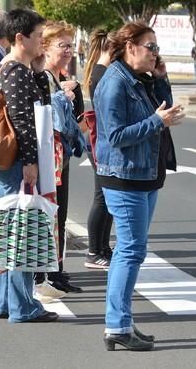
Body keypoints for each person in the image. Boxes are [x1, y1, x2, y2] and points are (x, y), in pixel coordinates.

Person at [93, 22, 184, 351]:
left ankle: (122, 322)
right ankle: (117, 325)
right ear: (130, 47)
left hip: (145, 174)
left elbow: (166, 109)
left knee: (132, 251)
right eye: (151, 47)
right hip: (124, 176)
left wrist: (161, 78)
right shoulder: (113, 83)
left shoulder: (140, 79)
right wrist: (156, 122)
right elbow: (115, 136)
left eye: (157, 48)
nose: (155, 53)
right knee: (129, 251)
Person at [0, 8, 59, 323]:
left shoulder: (15, 68)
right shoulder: (15, 71)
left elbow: (37, 108)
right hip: (16, 161)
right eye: (38, 36)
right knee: (21, 230)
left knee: (5, 229)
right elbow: (26, 120)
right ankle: (22, 306)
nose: (42, 41)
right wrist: (30, 162)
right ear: (20, 38)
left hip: (9, 160)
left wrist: (39, 71)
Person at [36, 20, 84, 294]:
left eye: (70, 45)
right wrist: (62, 97)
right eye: (62, 45)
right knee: (51, 214)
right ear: (45, 47)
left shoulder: (58, 77)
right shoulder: (43, 76)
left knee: (60, 214)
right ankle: (47, 272)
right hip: (47, 159)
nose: (68, 50)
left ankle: (57, 269)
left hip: (60, 157)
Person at [82, 29, 115, 270]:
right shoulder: (102, 73)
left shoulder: (101, 71)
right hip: (100, 142)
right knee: (102, 197)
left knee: (107, 197)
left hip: (100, 141)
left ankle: (103, 247)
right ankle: (94, 251)